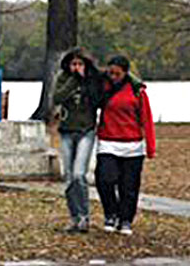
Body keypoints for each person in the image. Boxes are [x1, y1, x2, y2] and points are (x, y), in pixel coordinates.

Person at [95, 55, 156, 236]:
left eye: (117, 73)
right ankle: (110, 213)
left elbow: (146, 119)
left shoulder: (137, 91)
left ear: (125, 73)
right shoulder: (103, 86)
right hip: (108, 142)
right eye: (110, 72)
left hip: (132, 146)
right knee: (105, 179)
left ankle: (126, 219)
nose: (113, 76)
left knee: (129, 186)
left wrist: (150, 147)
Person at [53, 47, 104, 233]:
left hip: (86, 131)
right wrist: (73, 80)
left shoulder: (92, 79)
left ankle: (84, 217)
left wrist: (85, 80)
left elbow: (98, 100)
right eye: (73, 64)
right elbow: (56, 98)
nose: (76, 67)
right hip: (66, 131)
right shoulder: (64, 78)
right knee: (68, 178)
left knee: (78, 174)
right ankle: (74, 217)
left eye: (80, 64)